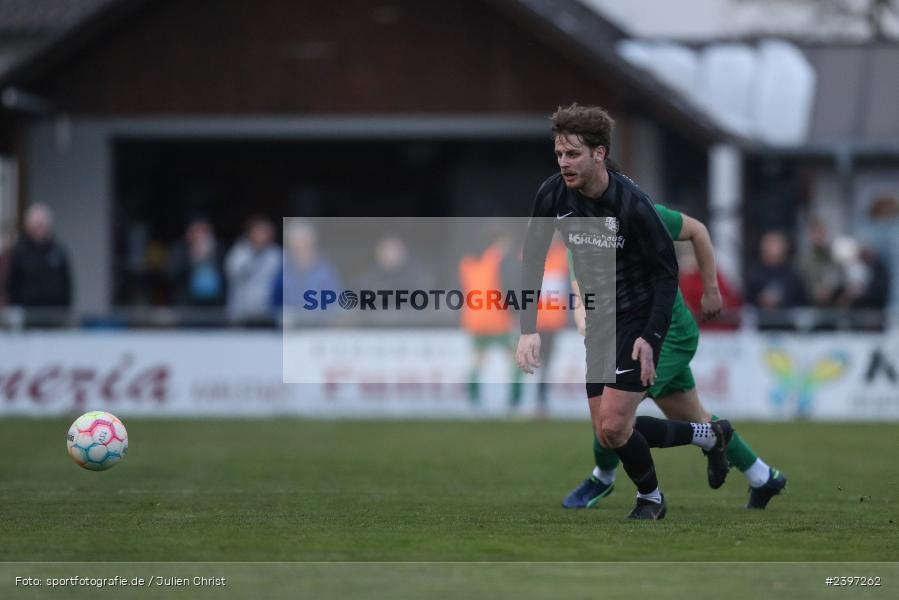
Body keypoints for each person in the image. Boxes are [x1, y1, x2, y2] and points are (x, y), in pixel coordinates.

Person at [516, 103, 732, 520]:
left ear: (599, 153)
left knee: (615, 425)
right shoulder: (552, 194)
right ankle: (708, 435)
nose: (564, 163)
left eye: (573, 154)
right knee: (609, 431)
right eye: (559, 154)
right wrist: (529, 328)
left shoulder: (632, 204)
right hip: (601, 321)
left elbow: (667, 277)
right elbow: (533, 259)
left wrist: (649, 338)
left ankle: (651, 499)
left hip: (639, 316)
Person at [564, 204, 787, 510]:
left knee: (611, 415)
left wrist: (711, 289)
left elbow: (697, 230)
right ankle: (763, 477)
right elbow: (581, 290)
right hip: (629, 336)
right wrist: (582, 317)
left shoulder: (636, 210)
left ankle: (602, 478)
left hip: (668, 335)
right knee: (694, 417)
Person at [5, 203, 73, 310]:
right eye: (37, 225)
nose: (40, 229)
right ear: (28, 226)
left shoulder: (58, 252)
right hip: (27, 316)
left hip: (55, 315)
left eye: (42, 225)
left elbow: (67, 284)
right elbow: (11, 284)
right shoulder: (19, 253)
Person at [225, 216, 281, 324]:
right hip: (241, 314)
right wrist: (256, 254)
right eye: (259, 232)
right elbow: (232, 273)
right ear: (251, 233)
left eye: (266, 232)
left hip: (267, 314)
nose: (262, 236)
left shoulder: (276, 254)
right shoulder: (239, 251)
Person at [168, 218, 227, 308]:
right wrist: (192, 257)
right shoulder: (180, 250)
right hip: (188, 304)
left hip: (215, 304)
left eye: (204, 232)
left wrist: (212, 256)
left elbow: (229, 272)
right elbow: (172, 273)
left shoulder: (218, 249)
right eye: (197, 231)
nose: (201, 236)